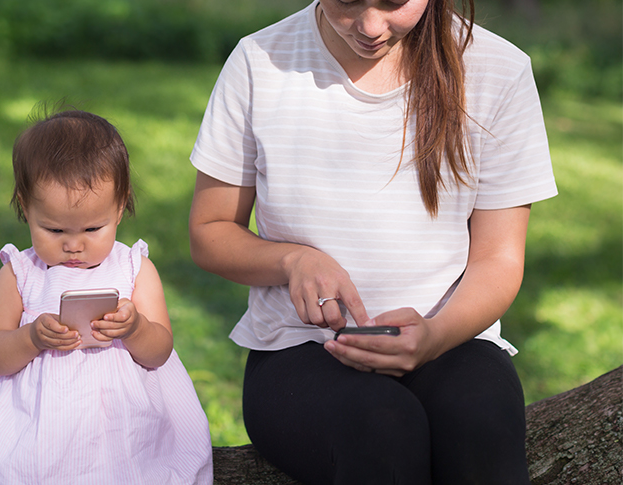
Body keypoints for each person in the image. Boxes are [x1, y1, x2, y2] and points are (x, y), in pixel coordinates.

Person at [188, 0, 557, 484]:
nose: (369, 26)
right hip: (300, 352)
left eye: (393, 2)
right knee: (382, 428)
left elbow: (499, 257)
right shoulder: (260, 60)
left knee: (480, 424)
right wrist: (291, 259)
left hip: (453, 338)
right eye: (346, 2)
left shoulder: (498, 69)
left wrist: (433, 337)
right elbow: (210, 231)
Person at [0, 109, 213, 484]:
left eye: (93, 227)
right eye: (54, 229)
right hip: (37, 433)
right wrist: (31, 338)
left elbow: (159, 352)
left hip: (125, 434)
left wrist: (135, 327)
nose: (74, 244)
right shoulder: (20, 274)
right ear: (26, 209)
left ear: (120, 206)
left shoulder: (134, 269)